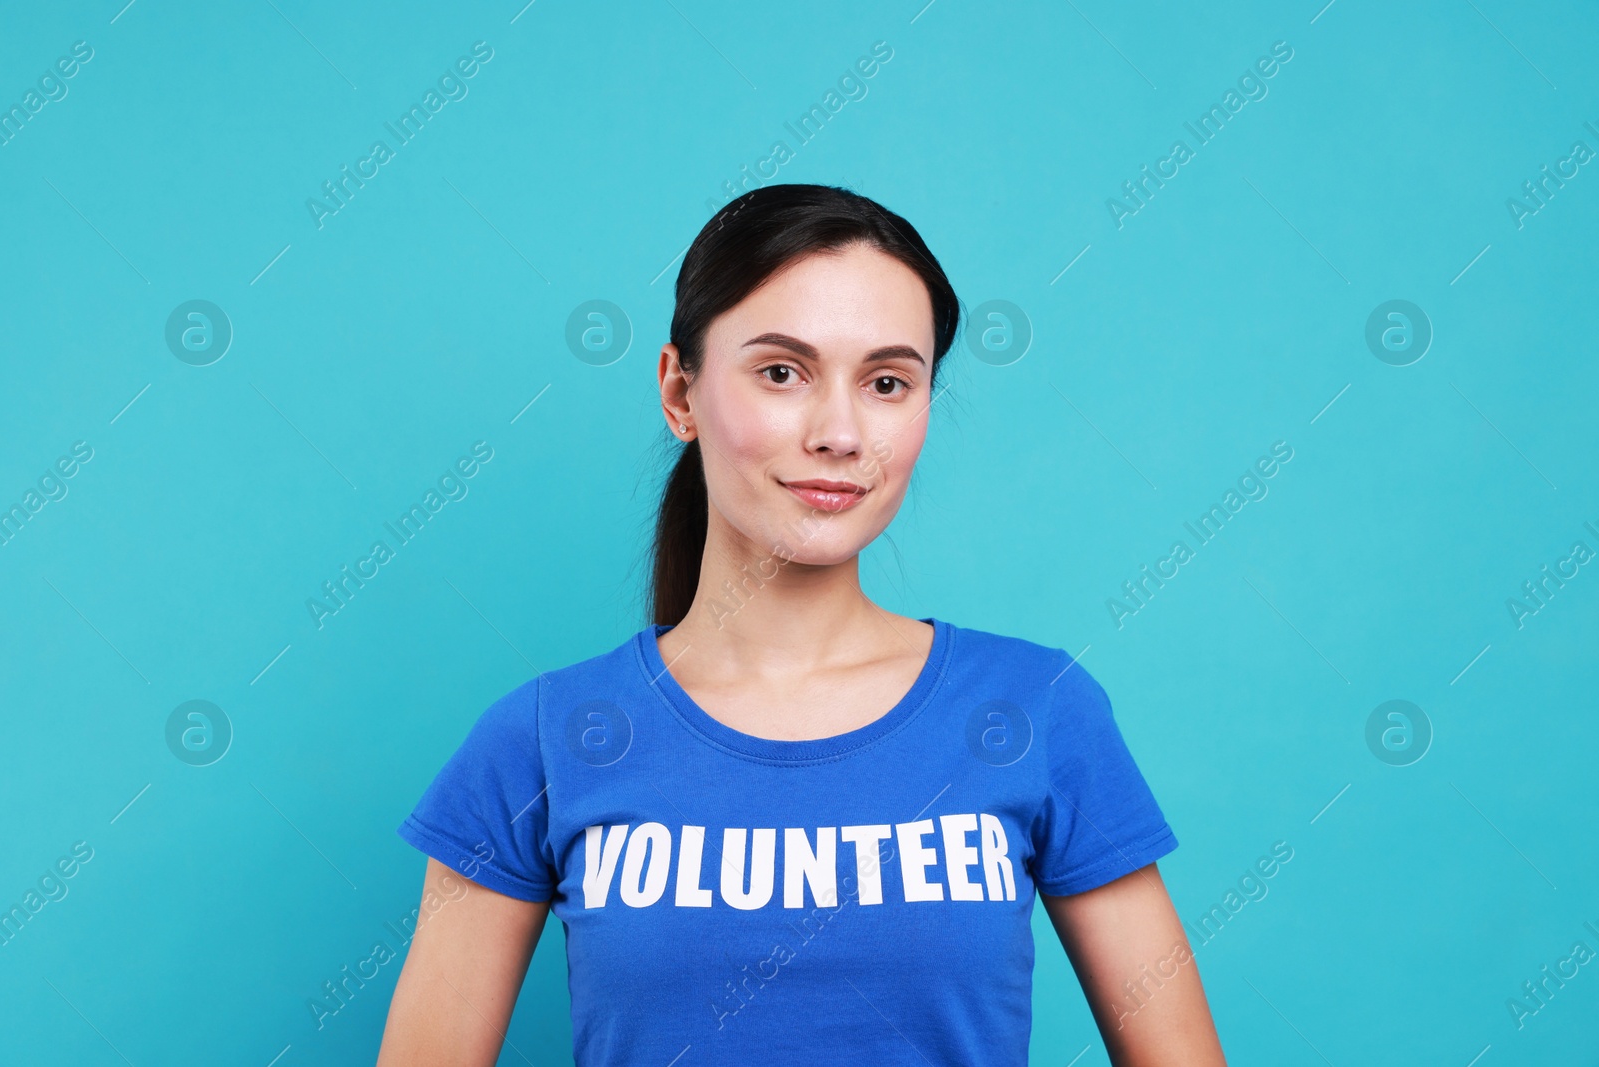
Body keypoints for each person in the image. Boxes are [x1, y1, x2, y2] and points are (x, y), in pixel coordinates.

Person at [376, 184, 1226, 1066]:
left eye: (888, 382)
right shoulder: (542, 739)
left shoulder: (1037, 710)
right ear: (679, 391)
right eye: (781, 371)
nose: (840, 432)